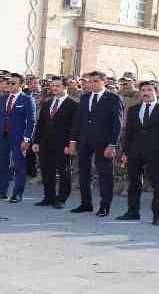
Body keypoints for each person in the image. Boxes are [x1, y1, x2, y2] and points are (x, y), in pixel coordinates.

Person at [116, 81, 159, 226]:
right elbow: (128, 133)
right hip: (135, 152)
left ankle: (158, 215)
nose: (146, 92)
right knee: (133, 183)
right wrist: (125, 152)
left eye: (149, 90)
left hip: (156, 153)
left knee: (158, 185)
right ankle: (133, 212)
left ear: (156, 92)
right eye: (143, 90)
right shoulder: (133, 109)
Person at [68, 70, 123, 217]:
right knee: (84, 172)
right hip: (85, 141)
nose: (92, 84)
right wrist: (73, 141)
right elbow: (77, 121)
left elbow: (117, 124)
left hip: (104, 142)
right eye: (89, 81)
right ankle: (86, 203)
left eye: (95, 81)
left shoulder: (113, 98)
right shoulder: (85, 98)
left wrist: (112, 144)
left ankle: (105, 206)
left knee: (105, 174)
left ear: (104, 81)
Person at [32, 76, 78, 209]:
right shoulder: (47, 103)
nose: (54, 88)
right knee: (47, 171)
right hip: (46, 143)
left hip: (63, 144)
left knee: (64, 171)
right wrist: (37, 141)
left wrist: (71, 144)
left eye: (57, 86)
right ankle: (48, 197)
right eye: (52, 85)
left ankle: (62, 198)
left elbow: (74, 127)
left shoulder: (73, 105)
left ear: (65, 87)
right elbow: (40, 124)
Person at [0, 73, 36, 203]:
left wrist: (27, 139)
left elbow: (31, 121)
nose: (9, 85)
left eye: (13, 83)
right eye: (8, 83)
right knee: (3, 164)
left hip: (18, 138)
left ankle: (17, 193)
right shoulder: (3, 99)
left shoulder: (27, 99)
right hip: (3, 136)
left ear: (21, 85)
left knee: (19, 165)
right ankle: (2, 191)